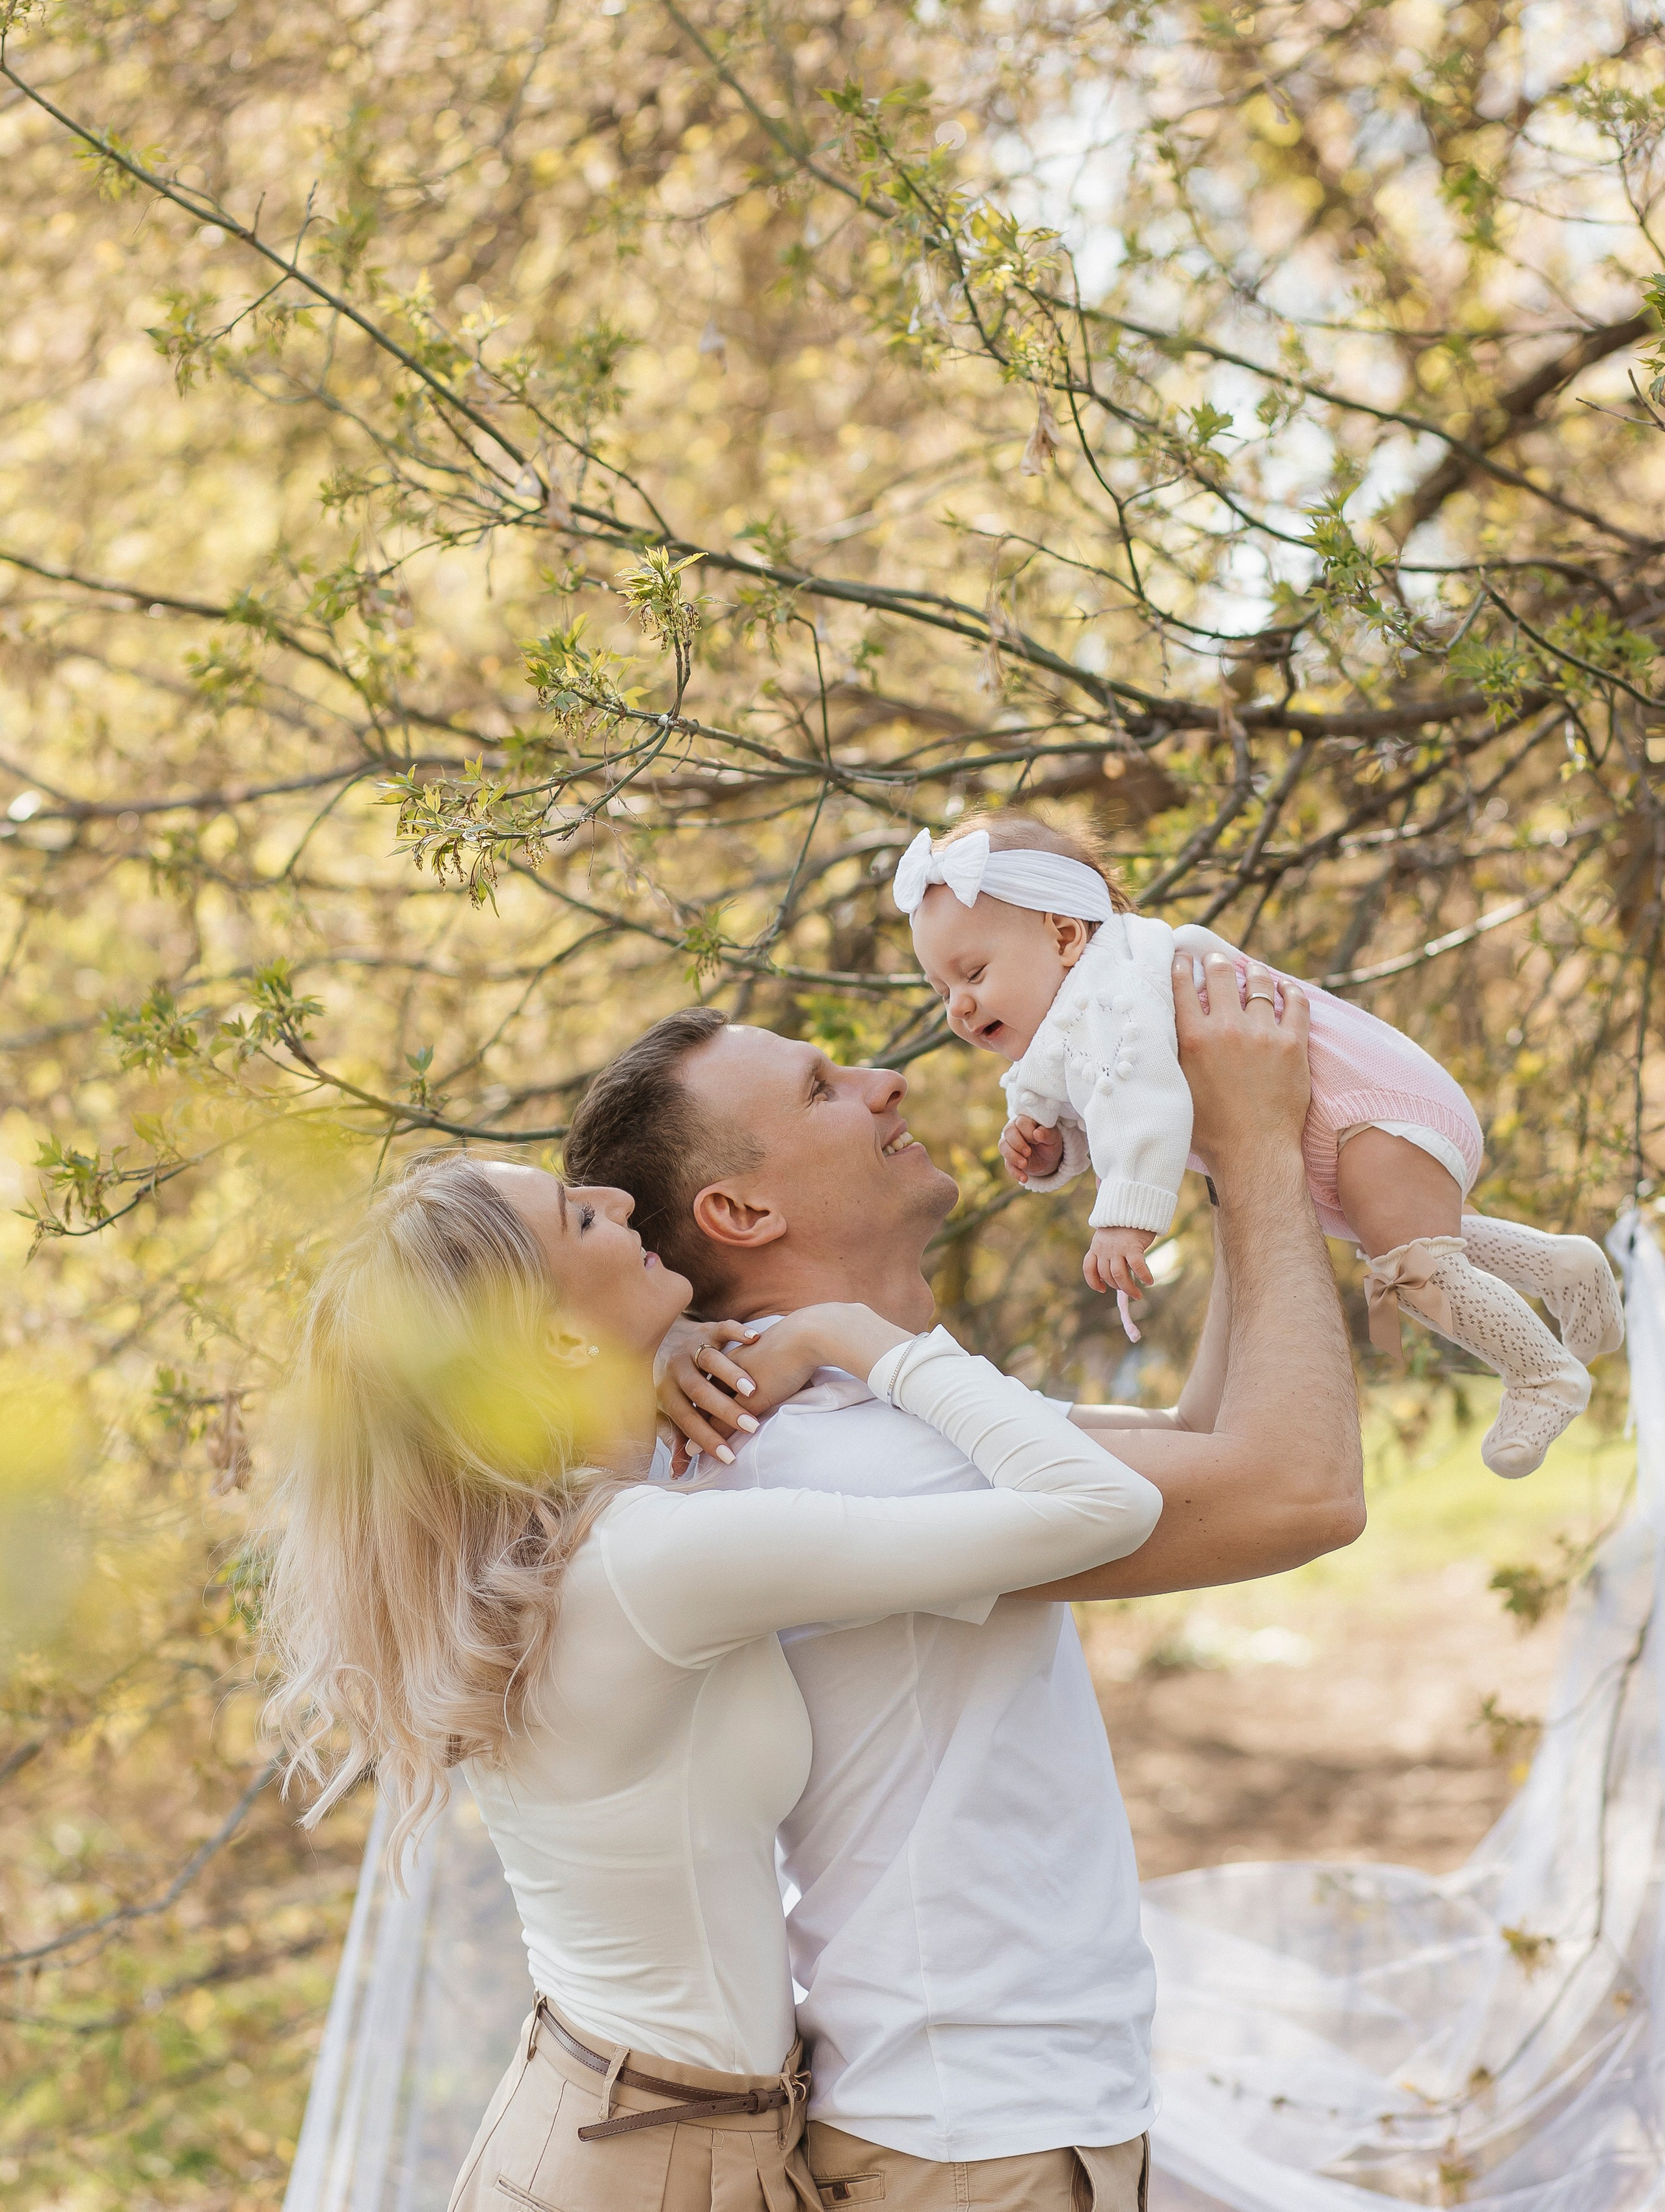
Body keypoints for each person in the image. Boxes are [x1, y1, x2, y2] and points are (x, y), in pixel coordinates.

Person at [562, 942, 1366, 2212]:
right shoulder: (842, 1454)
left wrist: (1214, 1157)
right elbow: (1296, 1490)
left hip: (995, 2119)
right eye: (824, 1089)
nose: (886, 1081)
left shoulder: (866, 1406)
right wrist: (1265, 1151)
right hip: (973, 2144)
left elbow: (1215, 1449)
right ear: (740, 1214)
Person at [260, 1154, 1163, 2212]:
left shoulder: (535, 1548)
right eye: (580, 1217)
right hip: (650, 2159)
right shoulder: (654, 1564)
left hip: (616, 2119)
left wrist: (654, 1344)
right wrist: (850, 1337)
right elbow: (1104, 1509)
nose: (620, 1202)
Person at [898, 809, 1623, 1479]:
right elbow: (1102, 1105)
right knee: (1417, 1241)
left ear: (1064, 936)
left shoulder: (1115, 986)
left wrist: (1122, 1217)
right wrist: (1054, 1149)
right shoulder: (1079, 1016)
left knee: (1412, 1267)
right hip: (1340, 1133)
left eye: (974, 974)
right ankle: (1560, 1266)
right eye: (939, 989)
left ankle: (1537, 1372)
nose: (958, 1006)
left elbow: (1142, 1103)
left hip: (1362, 1108)